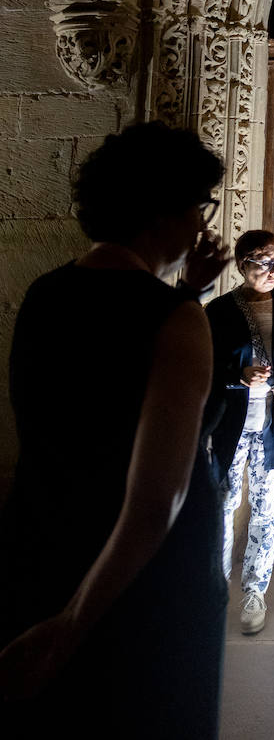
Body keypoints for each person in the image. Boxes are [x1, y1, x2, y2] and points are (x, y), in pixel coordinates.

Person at [0, 121, 230, 739]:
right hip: (144, 584)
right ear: (160, 211)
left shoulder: (44, 293)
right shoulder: (177, 321)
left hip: (48, 544)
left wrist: (187, 290)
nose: (201, 226)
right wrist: (73, 625)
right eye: (197, 207)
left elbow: (82, 416)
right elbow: (157, 500)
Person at [206, 230, 274, 636]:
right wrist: (239, 377)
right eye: (262, 262)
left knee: (267, 511)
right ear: (241, 265)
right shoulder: (217, 311)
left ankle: (254, 591)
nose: (273, 271)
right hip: (228, 427)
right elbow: (204, 371)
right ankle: (215, 588)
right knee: (222, 506)